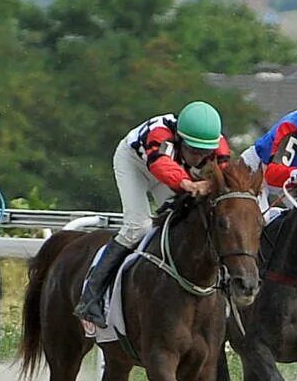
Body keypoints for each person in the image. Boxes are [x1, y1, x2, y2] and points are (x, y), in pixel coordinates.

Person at [75, 101, 232, 327]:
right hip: (135, 164)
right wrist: (187, 183)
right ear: (179, 138)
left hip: (170, 169)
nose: (198, 159)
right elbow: (160, 165)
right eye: (193, 151)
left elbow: (224, 178)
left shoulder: (219, 147)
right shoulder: (161, 134)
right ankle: (90, 297)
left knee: (186, 221)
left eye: (204, 153)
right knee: (138, 226)